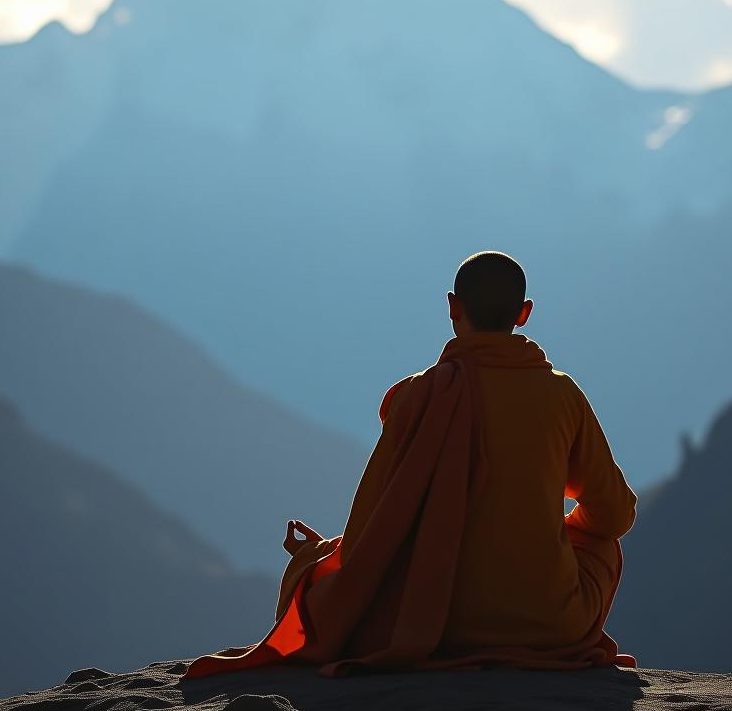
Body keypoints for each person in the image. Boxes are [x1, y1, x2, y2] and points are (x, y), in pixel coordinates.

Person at [185, 251, 637, 679]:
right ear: (524, 313)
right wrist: (556, 528)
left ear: (452, 307)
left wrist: (319, 557)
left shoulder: (420, 398)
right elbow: (614, 515)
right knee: (598, 542)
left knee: (344, 564)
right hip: (549, 628)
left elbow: (376, 526)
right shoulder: (562, 397)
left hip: (431, 625)